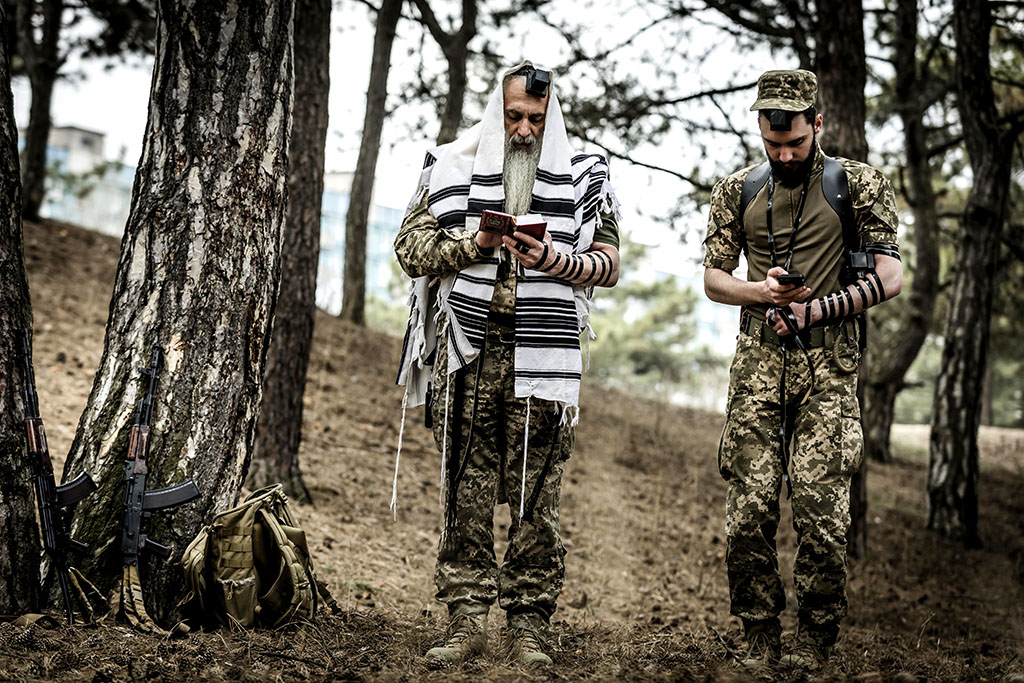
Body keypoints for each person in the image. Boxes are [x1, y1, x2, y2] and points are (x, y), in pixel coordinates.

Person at [393, 62, 620, 668]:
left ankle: (529, 626)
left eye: (537, 121)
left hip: (544, 354)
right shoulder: (450, 165)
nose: (524, 131)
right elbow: (410, 249)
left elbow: (609, 265)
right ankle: (466, 620)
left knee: (536, 495)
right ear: (498, 112)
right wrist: (478, 244)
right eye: (514, 116)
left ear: (553, 121)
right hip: (468, 352)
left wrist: (551, 257)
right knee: (462, 492)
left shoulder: (585, 175)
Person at [702, 69, 902, 671]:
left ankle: (815, 648)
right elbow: (713, 280)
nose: (784, 154)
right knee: (747, 511)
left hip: (829, 369)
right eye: (773, 144)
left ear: (818, 123)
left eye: (794, 142)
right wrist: (760, 293)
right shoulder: (736, 190)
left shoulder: (857, 184)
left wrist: (819, 307)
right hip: (758, 367)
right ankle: (760, 644)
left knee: (821, 515)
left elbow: (890, 278)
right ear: (760, 132)